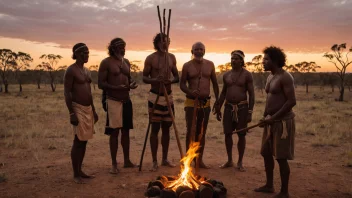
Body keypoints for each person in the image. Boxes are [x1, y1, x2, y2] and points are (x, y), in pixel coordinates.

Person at [254, 46, 296, 198]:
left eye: (266, 59)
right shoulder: (270, 77)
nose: (263, 62)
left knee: (281, 157)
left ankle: (284, 192)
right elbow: (270, 99)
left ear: (275, 61)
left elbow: (291, 101)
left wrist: (274, 117)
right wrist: (265, 116)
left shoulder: (286, 77)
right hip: (270, 121)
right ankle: (269, 185)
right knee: (266, 153)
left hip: (282, 123)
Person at [98, 38, 138, 174]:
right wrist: (116, 87)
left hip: (126, 100)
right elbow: (101, 84)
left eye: (124, 46)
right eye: (120, 47)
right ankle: (114, 163)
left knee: (126, 131)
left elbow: (129, 78)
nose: (123, 49)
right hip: (113, 100)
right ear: (113, 48)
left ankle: (126, 161)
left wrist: (131, 84)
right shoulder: (106, 63)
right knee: (114, 132)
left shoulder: (126, 62)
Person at [143, 33, 179, 171]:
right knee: (155, 129)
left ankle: (164, 159)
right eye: (163, 41)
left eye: (168, 41)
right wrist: (155, 80)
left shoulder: (171, 57)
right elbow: (145, 78)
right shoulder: (151, 58)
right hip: (155, 96)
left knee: (167, 128)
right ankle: (154, 161)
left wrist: (170, 81)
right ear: (157, 43)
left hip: (168, 97)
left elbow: (177, 77)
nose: (166, 44)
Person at [180, 42, 219, 169]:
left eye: (201, 49)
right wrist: (191, 92)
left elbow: (214, 83)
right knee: (190, 131)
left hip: (205, 103)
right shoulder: (187, 66)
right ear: (192, 51)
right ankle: (188, 160)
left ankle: (199, 160)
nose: (199, 51)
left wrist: (218, 101)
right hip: (191, 102)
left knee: (201, 132)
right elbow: (182, 85)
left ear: (204, 51)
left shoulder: (210, 64)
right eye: (196, 49)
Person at [214, 50, 254, 171]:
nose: (233, 60)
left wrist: (250, 112)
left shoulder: (247, 75)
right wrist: (218, 107)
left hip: (242, 108)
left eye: (236, 58)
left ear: (242, 61)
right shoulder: (226, 75)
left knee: (241, 134)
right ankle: (229, 160)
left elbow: (252, 94)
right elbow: (223, 92)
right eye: (232, 58)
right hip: (228, 107)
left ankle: (240, 162)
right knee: (227, 134)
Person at [64, 43, 98, 183]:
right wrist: (71, 113)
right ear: (76, 54)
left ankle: (80, 170)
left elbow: (89, 92)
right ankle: (75, 173)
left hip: (87, 108)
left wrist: (94, 110)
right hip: (77, 108)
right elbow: (67, 92)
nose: (87, 55)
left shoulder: (86, 71)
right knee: (78, 140)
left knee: (84, 141)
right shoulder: (71, 71)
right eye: (84, 53)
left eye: (88, 53)